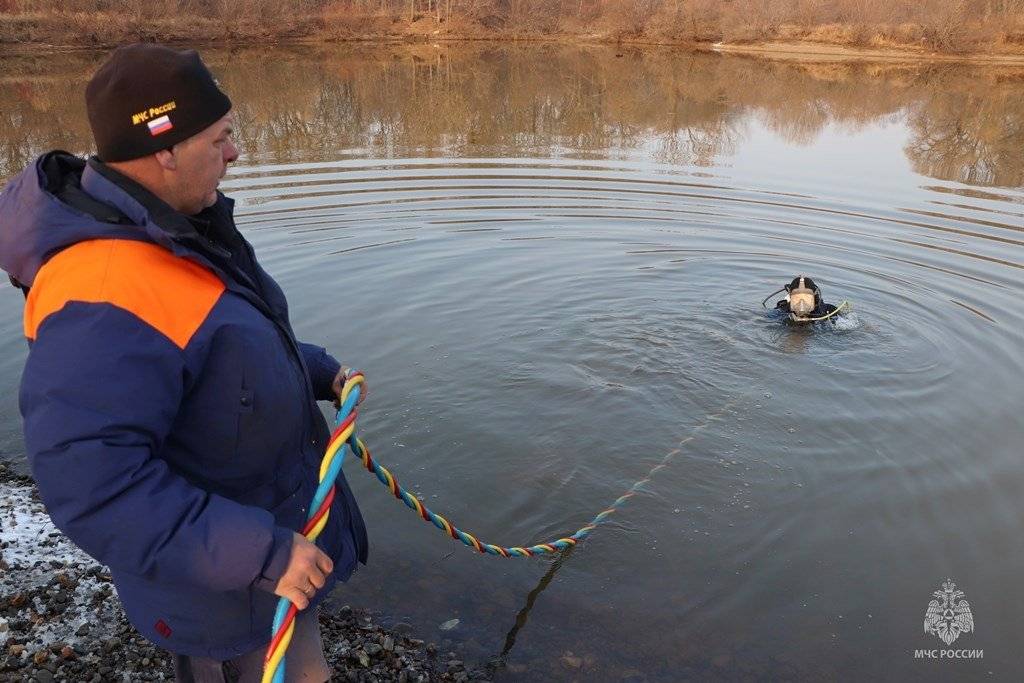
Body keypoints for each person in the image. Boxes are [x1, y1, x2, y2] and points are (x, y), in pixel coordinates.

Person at [0, 44, 367, 681]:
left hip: (257, 560)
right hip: (222, 589)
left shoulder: (170, 228)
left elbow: (213, 350)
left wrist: (312, 370)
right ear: (165, 147)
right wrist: (265, 553)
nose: (235, 153)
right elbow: (96, 485)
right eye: (221, 137)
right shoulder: (103, 293)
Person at [766, 275, 841, 323]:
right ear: (790, 296)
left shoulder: (830, 311)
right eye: (797, 298)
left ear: (814, 296)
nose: (801, 303)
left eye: (807, 297)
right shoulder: (780, 312)